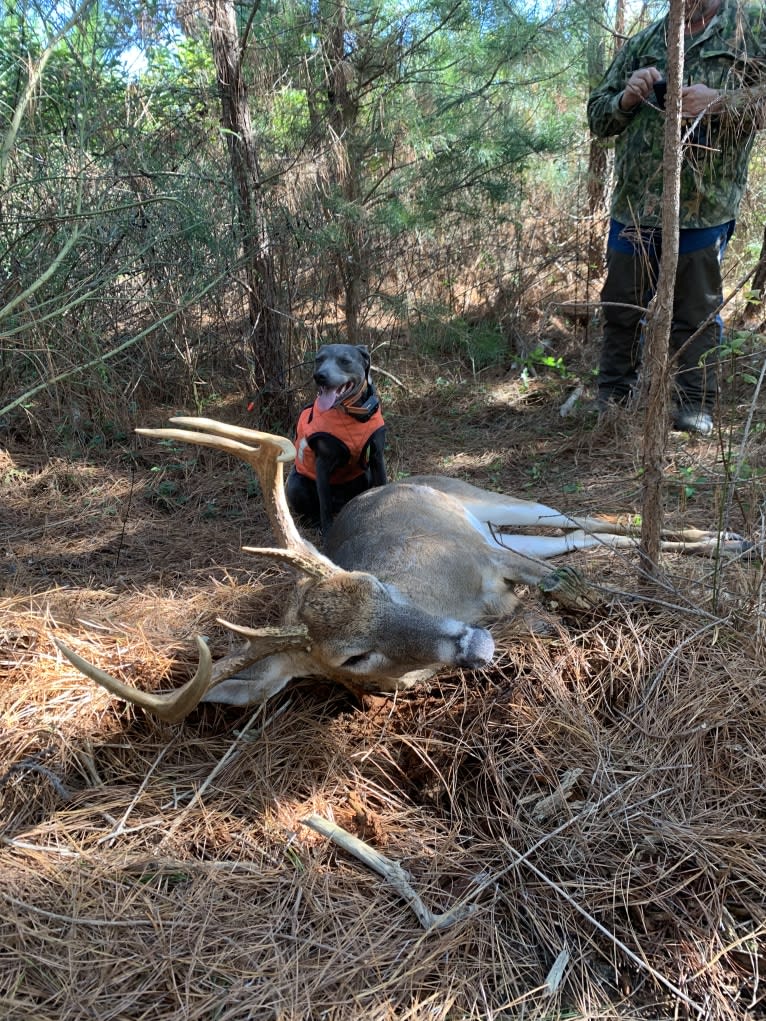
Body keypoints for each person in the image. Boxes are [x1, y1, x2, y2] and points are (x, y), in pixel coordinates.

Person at [587, 0, 766, 436]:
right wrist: (627, 97)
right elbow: (598, 115)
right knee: (622, 306)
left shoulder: (751, 24)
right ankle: (614, 397)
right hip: (636, 206)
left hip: (705, 207)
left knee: (696, 312)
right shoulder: (649, 38)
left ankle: (693, 403)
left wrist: (720, 101)